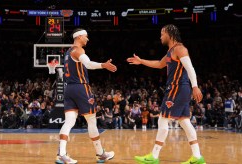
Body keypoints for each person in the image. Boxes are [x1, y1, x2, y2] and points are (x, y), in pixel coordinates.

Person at [127, 24, 206, 164]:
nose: (160, 36)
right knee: (184, 121)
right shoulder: (171, 51)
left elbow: (190, 68)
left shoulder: (180, 49)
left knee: (162, 119)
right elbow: (159, 64)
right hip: (178, 89)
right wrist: (141, 61)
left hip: (177, 88)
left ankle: (154, 156)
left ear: (170, 34)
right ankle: (197, 157)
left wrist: (195, 86)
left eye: (162, 34)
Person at [56, 28, 117, 164]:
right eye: (86, 36)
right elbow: (88, 64)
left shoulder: (67, 53)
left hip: (69, 89)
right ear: (79, 37)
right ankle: (100, 154)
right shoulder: (78, 50)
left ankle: (61, 154)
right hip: (80, 87)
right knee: (91, 120)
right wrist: (103, 65)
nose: (87, 39)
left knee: (69, 121)